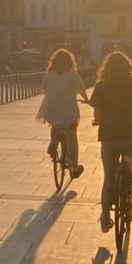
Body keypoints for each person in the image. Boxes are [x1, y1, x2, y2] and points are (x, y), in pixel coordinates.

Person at [89, 50, 132, 233]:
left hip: (110, 136)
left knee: (108, 178)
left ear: (107, 68)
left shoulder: (101, 86)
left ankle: (105, 218)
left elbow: (98, 111)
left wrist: (98, 121)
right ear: (128, 68)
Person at [36, 48, 89, 179]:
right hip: (68, 109)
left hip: (51, 109)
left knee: (55, 124)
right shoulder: (72, 74)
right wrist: (86, 99)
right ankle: (75, 167)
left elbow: (43, 88)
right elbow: (81, 88)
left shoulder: (49, 74)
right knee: (72, 137)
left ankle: (53, 142)